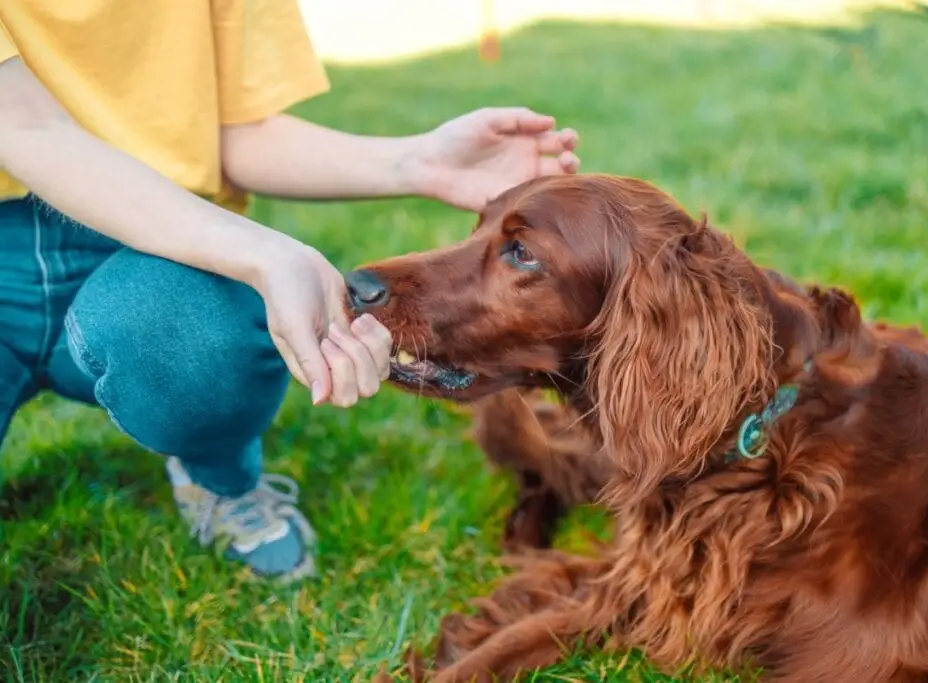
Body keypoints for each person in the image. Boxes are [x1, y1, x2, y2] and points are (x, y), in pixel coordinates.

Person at [0, 1, 580, 581]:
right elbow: (23, 126)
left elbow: (235, 130)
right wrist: (261, 252)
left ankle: (220, 478)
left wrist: (416, 162)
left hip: (155, 253)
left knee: (182, 331)